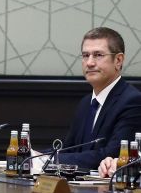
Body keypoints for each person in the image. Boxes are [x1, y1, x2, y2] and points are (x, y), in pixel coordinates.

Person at [56, 27, 141, 173]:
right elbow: (68, 149)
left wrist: (49, 159)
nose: (89, 63)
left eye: (98, 55)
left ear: (118, 60)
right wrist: (35, 156)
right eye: (85, 55)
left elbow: (112, 154)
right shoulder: (85, 102)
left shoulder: (132, 101)